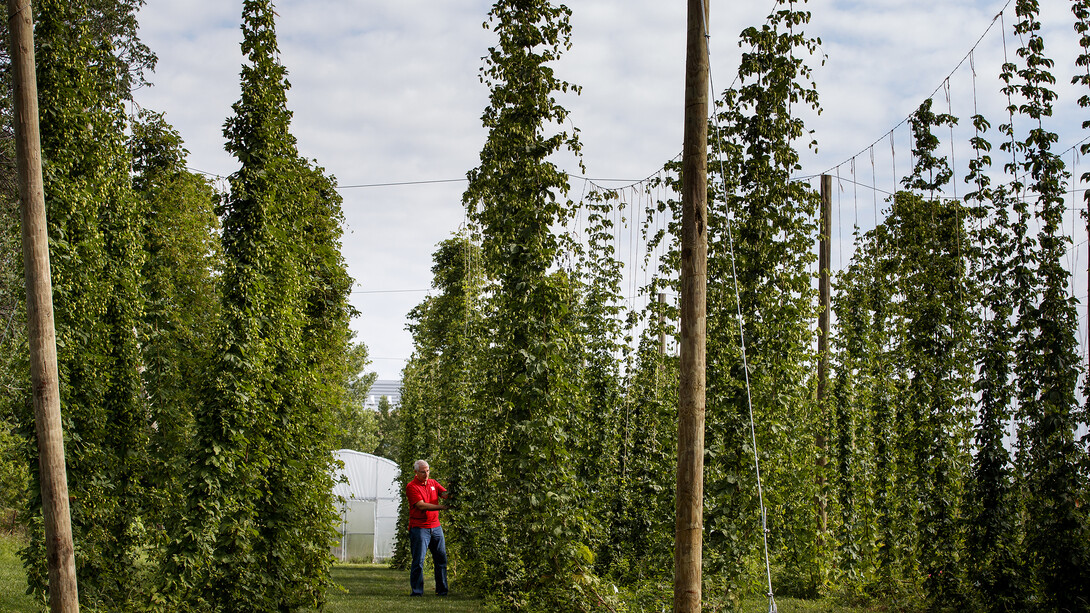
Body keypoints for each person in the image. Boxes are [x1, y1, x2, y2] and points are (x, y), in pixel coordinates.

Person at [405, 459, 450, 596]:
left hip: (436, 527)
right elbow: (421, 505)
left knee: (441, 559)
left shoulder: (433, 483)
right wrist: (442, 507)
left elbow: (444, 494)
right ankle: (417, 591)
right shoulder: (411, 487)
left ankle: (442, 591)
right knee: (418, 561)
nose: (426, 474)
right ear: (416, 472)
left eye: (428, 471)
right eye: (423, 472)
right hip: (419, 528)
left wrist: (454, 492)